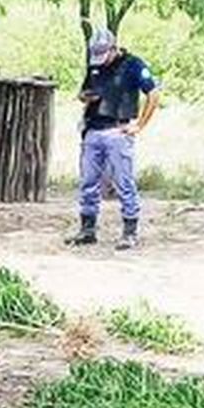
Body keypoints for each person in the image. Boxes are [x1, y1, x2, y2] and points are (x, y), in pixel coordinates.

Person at [67, 28, 161, 250]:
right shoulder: (95, 66)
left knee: (124, 183)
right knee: (88, 182)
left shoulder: (134, 65)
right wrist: (86, 98)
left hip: (119, 131)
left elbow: (153, 93)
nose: (100, 59)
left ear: (114, 46)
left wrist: (139, 125)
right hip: (93, 130)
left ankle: (129, 232)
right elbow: (83, 92)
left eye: (104, 54)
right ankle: (87, 229)